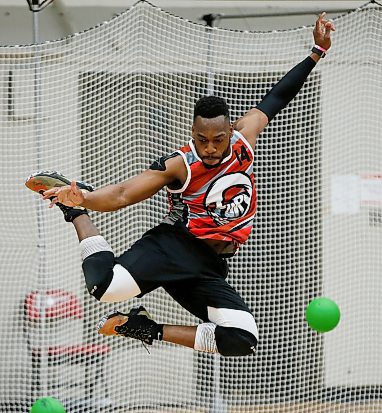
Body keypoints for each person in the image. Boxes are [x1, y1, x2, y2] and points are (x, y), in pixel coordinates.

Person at [25, 13, 335, 357]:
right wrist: (86, 197)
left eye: (218, 139)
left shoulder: (245, 139)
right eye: (202, 139)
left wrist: (316, 53)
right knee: (105, 286)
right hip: (176, 247)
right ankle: (75, 210)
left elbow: (277, 97)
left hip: (209, 264)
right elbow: (124, 194)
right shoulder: (181, 164)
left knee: (241, 338)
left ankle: (144, 328)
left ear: (231, 130)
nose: (211, 147)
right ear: (192, 134)